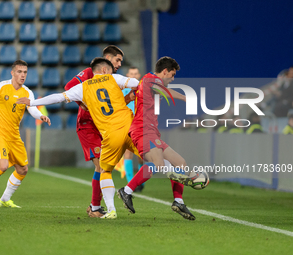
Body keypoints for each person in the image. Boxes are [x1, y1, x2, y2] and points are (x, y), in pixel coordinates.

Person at [17, 58, 193, 219]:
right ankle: (166, 196)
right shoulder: (113, 79)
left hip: (110, 135)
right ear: (104, 70)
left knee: (105, 171)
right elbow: (138, 84)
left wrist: (31, 103)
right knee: (157, 160)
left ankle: (111, 210)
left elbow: (58, 98)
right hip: (131, 128)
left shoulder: (82, 87)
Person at [117, 56, 197, 220]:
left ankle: (178, 201)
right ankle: (126, 191)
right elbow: (165, 91)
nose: (173, 79)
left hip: (152, 131)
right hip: (142, 129)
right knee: (158, 164)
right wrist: (185, 97)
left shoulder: (150, 83)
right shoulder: (149, 79)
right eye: (172, 75)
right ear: (165, 71)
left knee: (180, 163)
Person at [64, 46, 135, 218]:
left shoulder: (111, 80)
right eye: (117, 60)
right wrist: (83, 105)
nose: (119, 64)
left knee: (103, 167)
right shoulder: (90, 73)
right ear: (107, 59)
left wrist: (127, 99)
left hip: (105, 126)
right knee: (101, 166)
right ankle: (96, 207)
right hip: (88, 125)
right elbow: (69, 86)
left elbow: (111, 107)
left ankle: (95, 205)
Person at [0, 60, 50, 208]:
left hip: (15, 135)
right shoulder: (0, 87)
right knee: (3, 166)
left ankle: (4, 199)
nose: (22, 75)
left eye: (25, 72)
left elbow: (31, 108)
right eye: (19, 72)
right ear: (12, 73)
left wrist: (40, 116)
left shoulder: (27, 92)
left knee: (22, 169)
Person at [121, 67, 144, 190]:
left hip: (140, 124)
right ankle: (131, 183)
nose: (134, 76)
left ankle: (140, 180)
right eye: (131, 74)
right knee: (128, 152)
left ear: (139, 75)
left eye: (136, 73)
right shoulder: (123, 90)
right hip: (128, 124)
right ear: (127, 75)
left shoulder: (144, 89)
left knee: (142, 155)